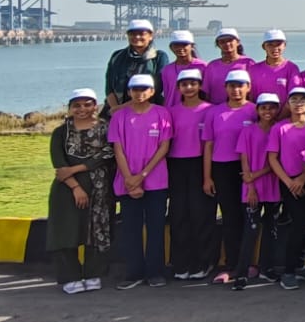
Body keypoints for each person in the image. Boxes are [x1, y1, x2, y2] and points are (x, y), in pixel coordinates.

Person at [47, 88, 114, 294]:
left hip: (100, 188)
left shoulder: (107, 128)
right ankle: (70, 276)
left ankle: (94, 273)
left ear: (95, 106)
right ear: (70, 108)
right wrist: (76, 187)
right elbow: (60, 164)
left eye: (87, 104)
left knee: (97, 230)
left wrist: (76, 168)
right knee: (66, 231)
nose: (82, 109)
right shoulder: (61, 132)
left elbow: (107, 154)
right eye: (77, 105)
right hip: (67, 189)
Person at [109, 74, 172, 289]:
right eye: (135, 89)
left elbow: (163, 147)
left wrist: (142, 176)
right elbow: (117, 148)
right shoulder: (119, 117)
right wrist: (129, 178)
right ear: (129, 92)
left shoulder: (162, 114)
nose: (139, 93)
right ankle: (133, 273)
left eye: (144, 89)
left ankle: (155, 272)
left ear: (152, 92)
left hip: (156, 180)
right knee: (131, 229)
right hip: (127, 182)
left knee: (156, 227)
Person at [203, 69, 255, 284]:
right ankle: (233, 265)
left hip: (249, 169)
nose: (236, 90)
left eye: (240, 85)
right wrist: (207, 177)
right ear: (225, 88)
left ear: (248, 87)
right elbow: (208, 146)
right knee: (230, 217)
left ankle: (249, 263)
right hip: (223, 168)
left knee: (249, 217)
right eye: (232, 86)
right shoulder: (214, 112)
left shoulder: (255, 110)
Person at [165, 68, 215, 281]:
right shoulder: (171, 112)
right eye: (184, 84)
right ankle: (181, 263)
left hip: (200, 164)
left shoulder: (210, 110)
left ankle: (202, 262)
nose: (189, 88)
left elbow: (210, 144)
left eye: (193, 83)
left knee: (200, 214)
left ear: (200, 86)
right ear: (178, 88)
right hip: (176, 165)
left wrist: (207, 176)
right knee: (178, 215)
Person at [267, 87, 305, 290]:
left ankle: (300, 265)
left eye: (303, 100)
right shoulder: (279, 128)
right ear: (288, 104)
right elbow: (273, 158)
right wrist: (290, 183)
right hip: (289, 183)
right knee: (298, 224)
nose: (298, 104)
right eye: (294, 100)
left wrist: (303, 178)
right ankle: (288, 271)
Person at [231, 94, 282, 290]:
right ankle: (241, 273)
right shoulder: (248, 131)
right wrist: (250, 185)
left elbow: (276, 161)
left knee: (271, 229)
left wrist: (255, 175)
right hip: (252, 187)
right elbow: (244, 160)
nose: (267, 111)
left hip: (273, 185)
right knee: (250, 230)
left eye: (272, 107)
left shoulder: (279, 130)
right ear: (257, 110)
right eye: (263, 108)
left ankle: (266, 268)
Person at [104, 19, 167, 113]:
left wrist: (122, 108)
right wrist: (115, 108)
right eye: (132, 34)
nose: (137, 37)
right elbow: (109, 87)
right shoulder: (117, 56)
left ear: (151, 36)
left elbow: (157, 87)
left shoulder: (159, 57)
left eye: (141, 34)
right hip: (115, 109)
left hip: (147, 110)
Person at [249, 30, 302, 107]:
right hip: (259, 114)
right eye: (270, 45)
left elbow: (294, 96)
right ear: (263, 47)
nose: (275, 48)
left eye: (278, 44)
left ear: (284, 45)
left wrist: (282, 114)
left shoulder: (291, 68)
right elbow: (249, 97)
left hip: (285, 114)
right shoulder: (253, 69)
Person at [203, 28, 256, 104]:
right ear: (218, 45)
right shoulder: (212, 66)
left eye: (230, 40)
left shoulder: (248, 63)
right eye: (222, 42)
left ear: (238, 42)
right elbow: (206, 93)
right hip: (217, 109)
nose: (227, 44)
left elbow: (253, 90)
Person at [160, 31, 207, 107]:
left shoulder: (202, 67)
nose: (180, 48)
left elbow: (207, 92)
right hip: (171, 110)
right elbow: (167, 94)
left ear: (192, 46)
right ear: (171, 48)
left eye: (184, 45)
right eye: (176, 45)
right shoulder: (167, 70)